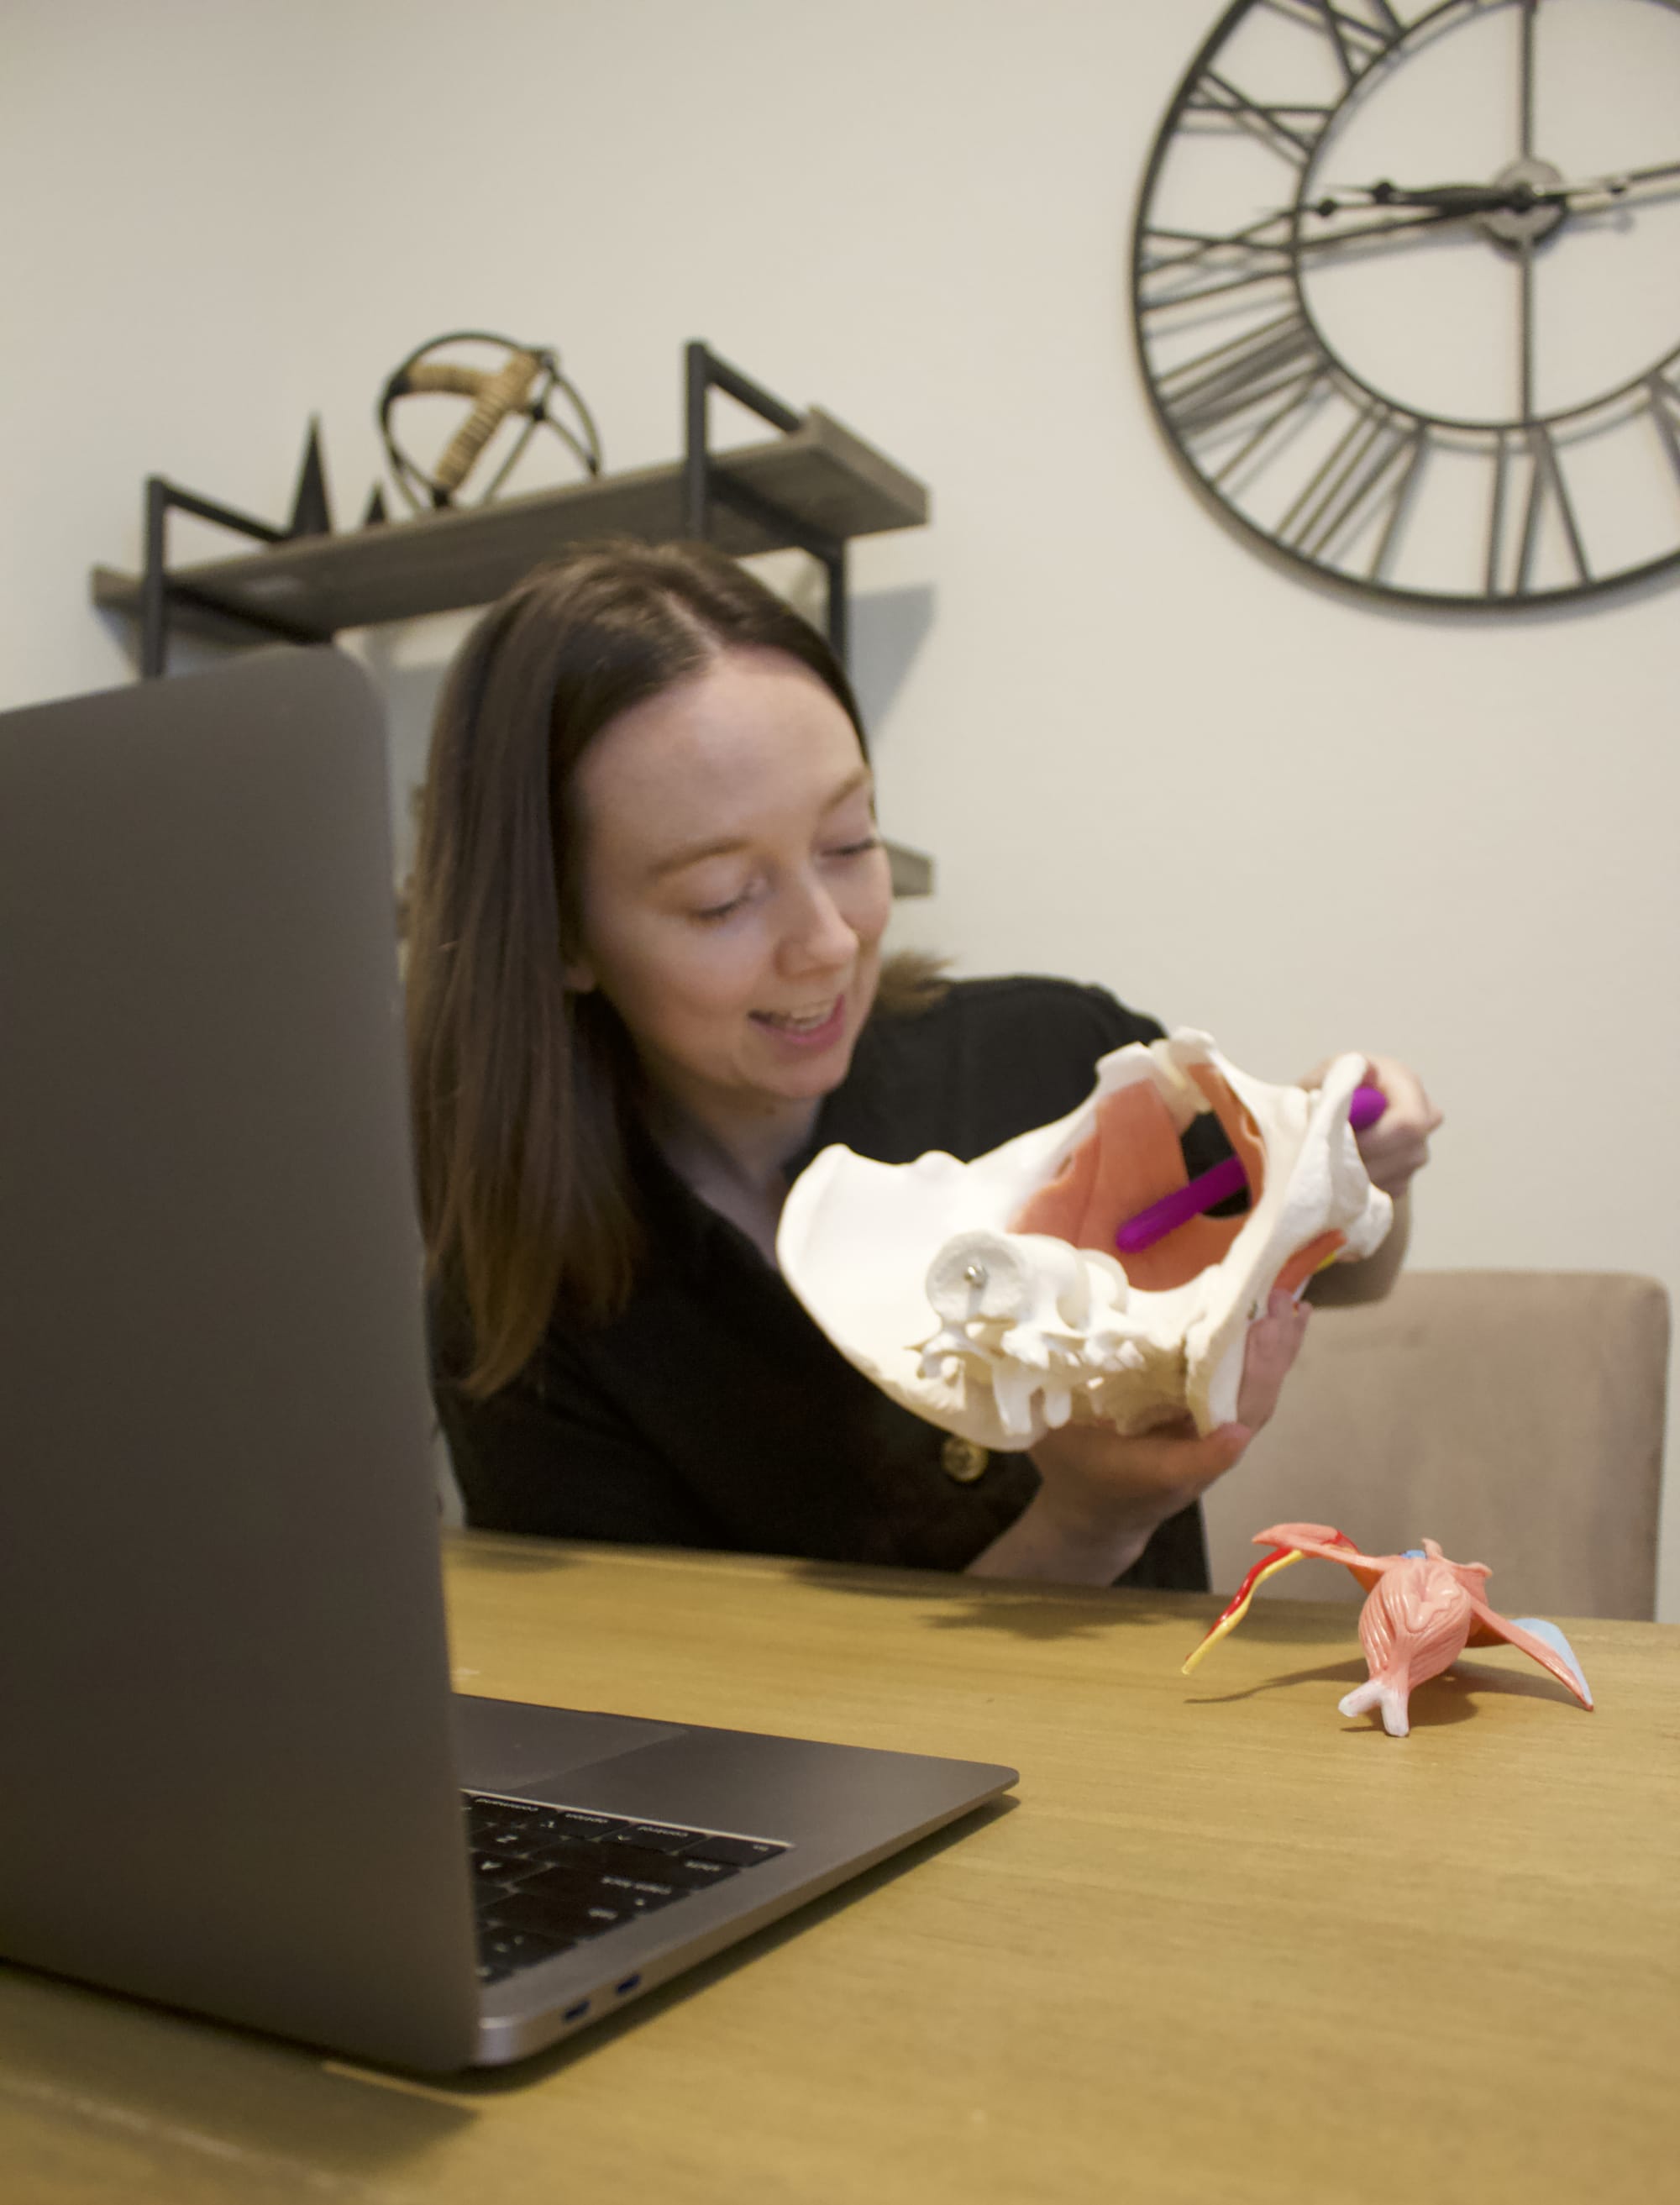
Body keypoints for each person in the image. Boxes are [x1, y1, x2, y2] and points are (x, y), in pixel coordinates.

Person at [407, 540, 1441, 1590]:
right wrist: (1088, 1524)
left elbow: (1343, 1272)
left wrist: (1360, 1174)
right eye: (721, 897)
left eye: (849, 842)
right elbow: (698, 1732)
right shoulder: (521, 1315)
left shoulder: (1059, 1060)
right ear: (558, 936)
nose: (827, 942)